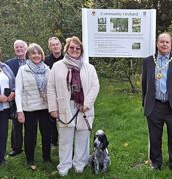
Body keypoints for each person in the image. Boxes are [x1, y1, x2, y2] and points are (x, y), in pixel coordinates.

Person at [47, 36, 100, 176]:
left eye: (78, 48)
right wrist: (53, 108)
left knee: (83, 135)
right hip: (64, 105)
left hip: (83, 107)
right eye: (72, 47)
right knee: (65, 138)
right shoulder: (57, 66)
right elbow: (51, 87)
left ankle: (80, 164)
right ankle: (64, 165)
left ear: (81, 50)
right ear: (66, 49)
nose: (75, 50)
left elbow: (95, 86)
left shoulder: (89, 68)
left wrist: (87, 104)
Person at [142, 32, 172, 177]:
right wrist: (144, 103)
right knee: (155, 137)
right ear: (157, 44)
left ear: (171, 44)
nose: (164, 44)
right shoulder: (149, 61)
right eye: (162, 42)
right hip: (154, 106)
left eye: (167, 42)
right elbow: (145, 84)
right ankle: (156, 163)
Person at [15, 43, 51, 170]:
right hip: (29, 108)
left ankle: (47, 158)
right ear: (28, 56)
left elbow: (52, 89)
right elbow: (18, 92)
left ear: (42, 55)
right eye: (33, 53)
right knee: (30, 136)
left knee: (47, 134)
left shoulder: (47, 69)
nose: (36, 55)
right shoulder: (23, 70)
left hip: (45, 108)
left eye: (38, 53)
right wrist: (20, 111)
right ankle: (30, 159)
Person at [5, 40, 28, 157]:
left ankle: (30, 146)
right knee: (16, 123)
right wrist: (13, 90)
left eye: (21, 47)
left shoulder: (33, 60)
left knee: (30, 123)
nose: (19, 49)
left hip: (30, 97)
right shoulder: (8, 64)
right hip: (15, 97)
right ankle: (16, 147)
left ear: (26, 48)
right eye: (16, 47)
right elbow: (6, 80)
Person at [44, 37, 64, 147]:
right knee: (52, 117)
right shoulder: (46, 60)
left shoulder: (66, 58)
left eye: (57, 44)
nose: (55, 46)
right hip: (51, 90)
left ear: (61, 45)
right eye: (53, 45)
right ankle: (53, 140)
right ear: (50, 47)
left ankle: (64, 139)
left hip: (64, 90)